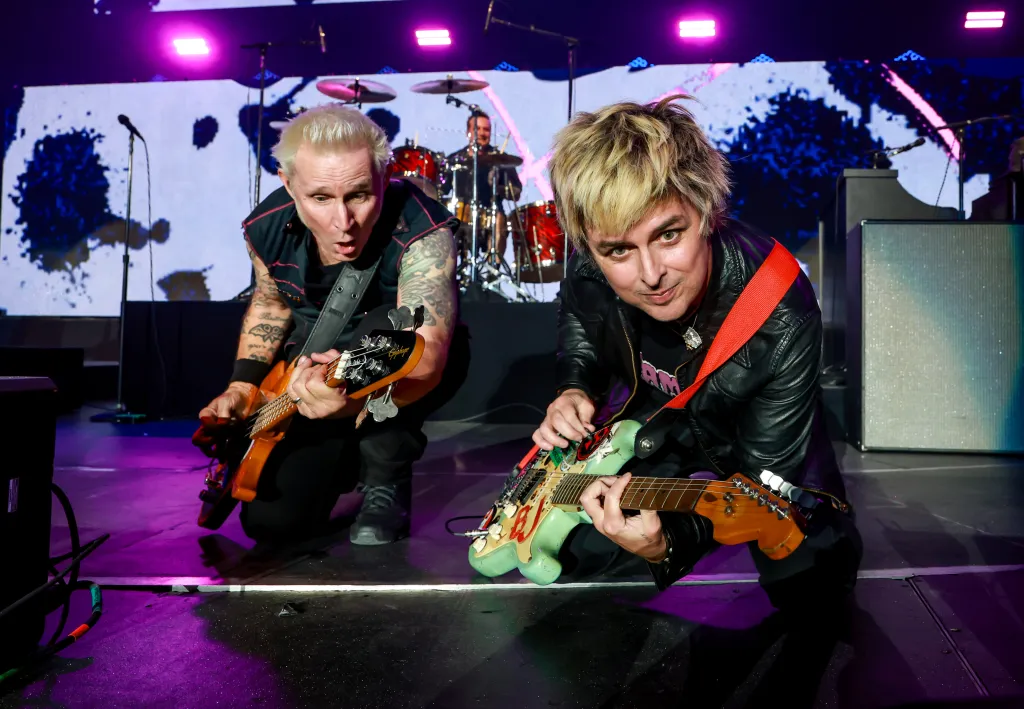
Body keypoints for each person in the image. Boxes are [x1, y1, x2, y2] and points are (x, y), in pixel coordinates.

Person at [536, 95, 863, 621]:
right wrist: (572, 387)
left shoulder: (780, 309)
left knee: (812, 591)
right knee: (577, 551)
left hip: (756, 452)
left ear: (707, 211)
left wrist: (669, 543)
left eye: (668, 235)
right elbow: (578, 311)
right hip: (656, 432)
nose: (649, 274)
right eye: (619, 250)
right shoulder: (592, 257)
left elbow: (764, 479)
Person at [196, 104, 460, 545]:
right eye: (320, 198)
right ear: (288, 184)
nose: (344, 222)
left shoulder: (423, 229)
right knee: (272, 526)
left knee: (388, 327)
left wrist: (353, 405)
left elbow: (426, 356)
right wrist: (242, 385)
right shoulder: (264, 229)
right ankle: (344, 458)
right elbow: (271, 305)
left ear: (385, 176)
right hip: (306, 375)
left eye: (360, 195)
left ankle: (385, 473)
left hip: (389, 363)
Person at [444, 110, 523, 263]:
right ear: (468, 132)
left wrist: (498, 186)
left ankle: (493, 272)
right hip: (460, 215)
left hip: (490, 216)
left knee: (500, 218)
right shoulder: (455, 159)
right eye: (477, 129)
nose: (481, 133)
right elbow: (441, 189)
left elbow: (516, 192)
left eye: (486, 129)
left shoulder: (501, 159)